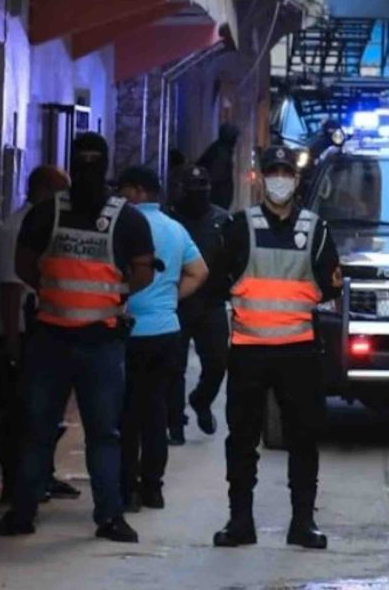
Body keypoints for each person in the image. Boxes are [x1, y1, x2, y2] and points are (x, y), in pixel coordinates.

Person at [0, 133, 154, 543]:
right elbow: (142, 273)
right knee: (94, 434)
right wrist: (113, 295)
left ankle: (26, 514)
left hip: (65, 339)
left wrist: (58, 293)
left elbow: (26, 267)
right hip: (85, 341)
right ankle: (107, 518)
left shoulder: (47, 214)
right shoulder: (125, 219)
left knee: (46, 431)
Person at [212, 145, 343, 549]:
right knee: (242, 439)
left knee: (303, 439)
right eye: (274, 172)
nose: (280, 179)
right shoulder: (239, 227)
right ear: (261, 178)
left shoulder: (316, 230)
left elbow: (332, 285)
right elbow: (218, 281)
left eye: (286, 172)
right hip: (249, 350)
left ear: (297, 179)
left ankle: (303, 523)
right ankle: (240, 521)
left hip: (299, 352)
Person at [116, 166, 208, 512]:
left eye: (124, 189)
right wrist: (170, 297)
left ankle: (128, 490)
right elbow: (199, 271)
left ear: (138, 191)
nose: (120, 196)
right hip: (165, 331)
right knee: (155, 412)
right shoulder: (175, 228)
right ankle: (153, 489)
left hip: (126, 330)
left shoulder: (122, 223)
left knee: (127, 415)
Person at [0, 165, 80, 505]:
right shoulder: (19, 227)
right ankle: (16, 486)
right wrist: (12, 342)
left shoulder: (43, 224)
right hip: (20, 331)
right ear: (42, 191)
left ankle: (42, 475)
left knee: (43, 410)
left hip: (40, 328)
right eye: (61, 192)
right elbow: (11, 288)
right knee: (19, 413)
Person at [167, 166, 231, 444]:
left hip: (211, 303)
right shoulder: (171, 219)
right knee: (174, 368)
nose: (196, 195)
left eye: (201, 188)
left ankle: (201, 400)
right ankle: (175, 425)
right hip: (178, 301)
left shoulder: (222, 220)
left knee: (217, 363)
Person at [196, 123, 239, 210]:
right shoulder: (222, 153)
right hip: (217, 200)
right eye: (235, 137)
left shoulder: (218, 148)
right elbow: (216, 176)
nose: (236, 141)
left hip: (216, 200)